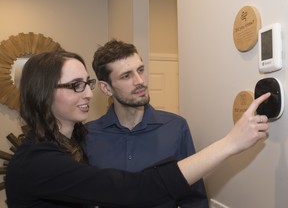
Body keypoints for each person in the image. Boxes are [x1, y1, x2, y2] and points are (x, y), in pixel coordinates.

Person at [5, 50, 270, 208]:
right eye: (76, 85)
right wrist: (230, 143)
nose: (88, 93)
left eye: (87, 83)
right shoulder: (36, 163)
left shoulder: (72, 143)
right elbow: (131, 189)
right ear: (42, 94)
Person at [84, 40, 208, 208]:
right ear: (106, 88)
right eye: (126, 76)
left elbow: (194, 199)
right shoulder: (86, 136)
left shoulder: (176, 128)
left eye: (141, 70)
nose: (140, 81)